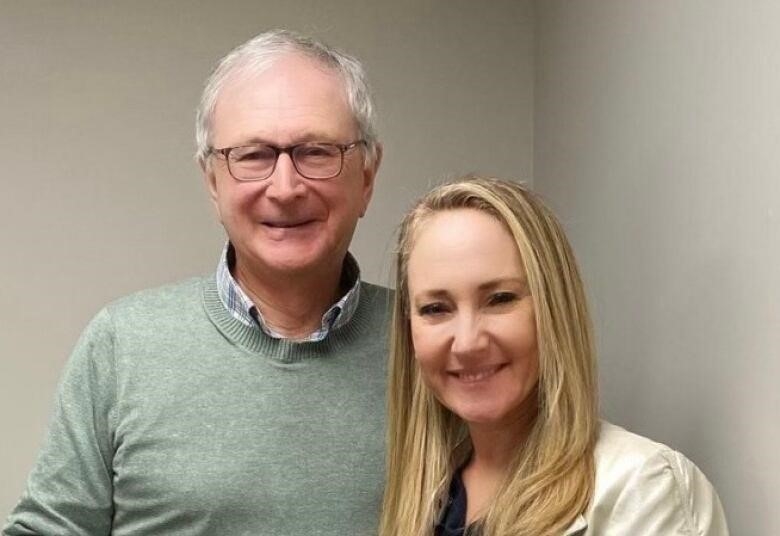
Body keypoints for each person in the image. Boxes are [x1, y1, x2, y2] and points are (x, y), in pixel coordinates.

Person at [4, 30, 388, 535]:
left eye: (316, 152)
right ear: (212, 181)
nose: (286, 187)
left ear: (366, 176)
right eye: (253, 156)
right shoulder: (123, 344)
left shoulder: (434, 349)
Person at [379, 176, 728, 536]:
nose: (467, 343)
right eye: (436, 308)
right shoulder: (430, 495)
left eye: (500, 299)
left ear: (554, 308)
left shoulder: (646, 488)